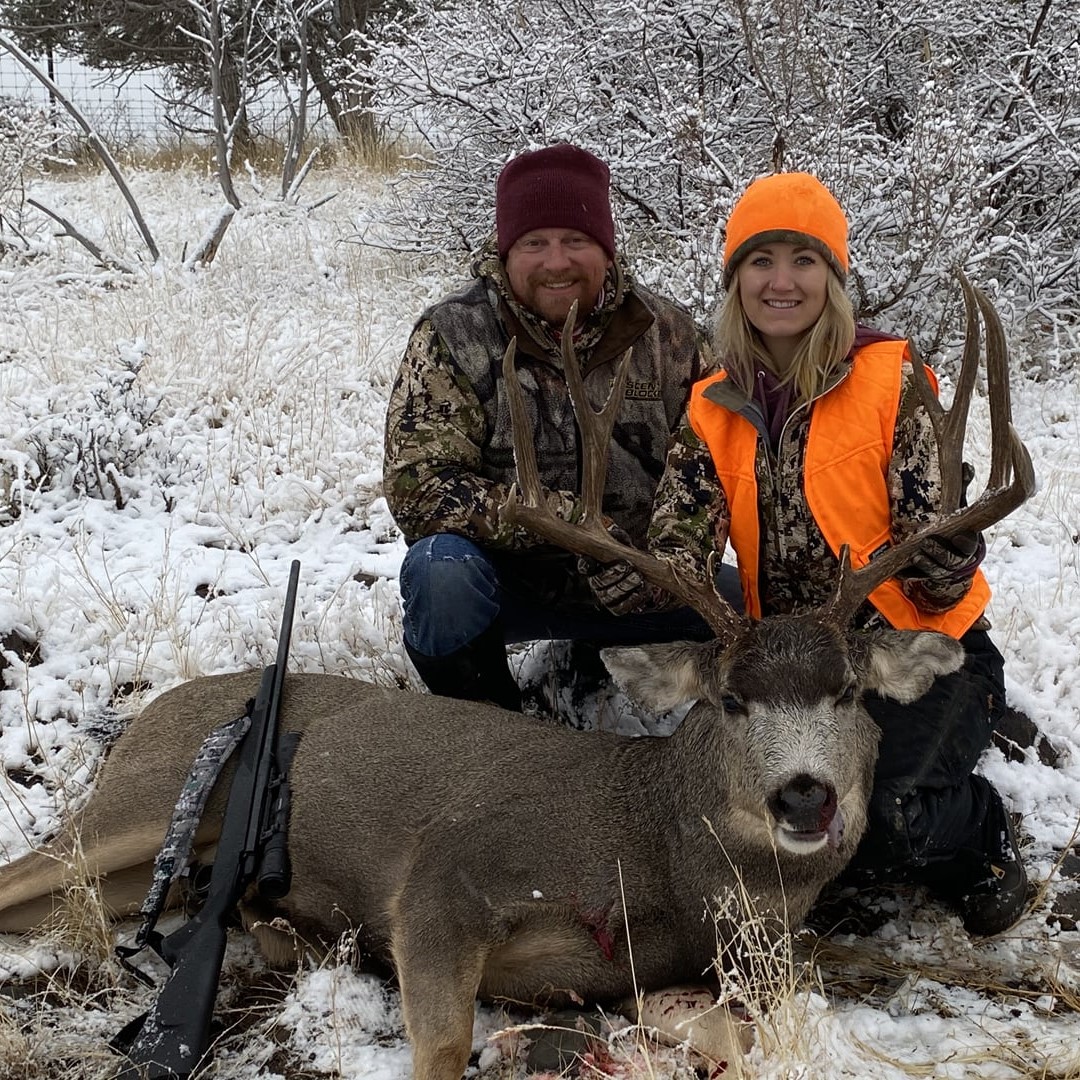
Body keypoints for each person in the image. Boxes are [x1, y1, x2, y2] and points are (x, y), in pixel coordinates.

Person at [644, 171, 1027, 936]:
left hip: (910, 650)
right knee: (728, 803)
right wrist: (660, 571)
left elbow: (934, 541)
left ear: (833, 277)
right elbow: (678, 528)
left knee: (887, 816)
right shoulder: (712, 402)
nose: (780, 281)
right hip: (783, 664)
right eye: (760, 261)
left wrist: (945, 553)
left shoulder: (894, 380)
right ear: (735, 279)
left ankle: (983, 839)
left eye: (803, 260)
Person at [383, 143, 739, 712]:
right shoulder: (455, 335)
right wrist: (563, 524)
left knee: (753, 615)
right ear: (506, 252)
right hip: (507, 581)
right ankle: (489, 727)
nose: (556, 262)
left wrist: (668, 565)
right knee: (439, 578)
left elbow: (716, 468)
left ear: (605, 247)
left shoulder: (669, 338)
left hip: (638, 581)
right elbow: (419, 485)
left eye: (575, 241)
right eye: (535, 243)